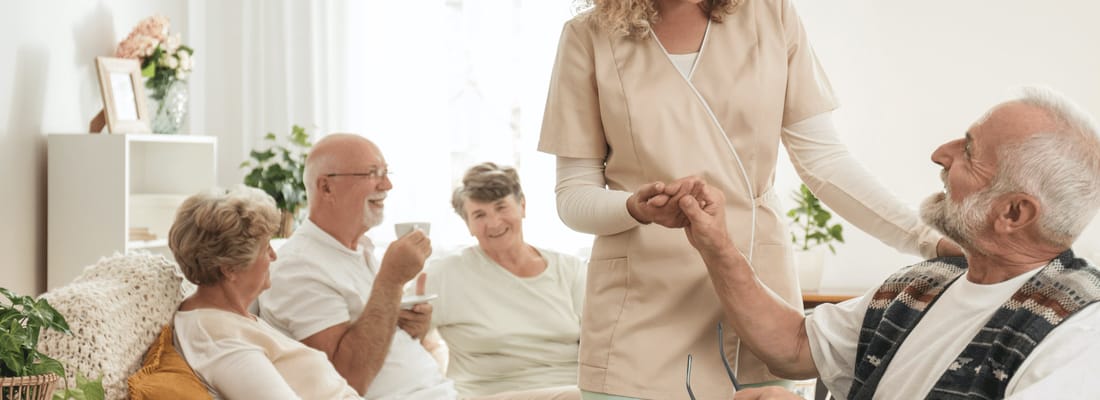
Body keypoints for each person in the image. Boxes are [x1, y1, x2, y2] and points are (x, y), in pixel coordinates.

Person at [537, 0, 961, 398]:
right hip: (638, 314)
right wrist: (634, 207)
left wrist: (929, 240)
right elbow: (573, 195)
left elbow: (824, 162)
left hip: (758, 303)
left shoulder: (769, 14)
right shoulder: (588, 35)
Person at [676, 86, 1100, 399]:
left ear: (1013, 214)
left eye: (969, 151)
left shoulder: (1083, 332)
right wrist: (717, 246)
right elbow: (795, 346)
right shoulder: (923, 284)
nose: (940, 153)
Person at [257, 134, 454, 399]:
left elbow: (376, 346)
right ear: (326, 187)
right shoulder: (297, 267)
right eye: (373, 173)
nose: (388, 184)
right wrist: (391, 280)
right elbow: (348, 380)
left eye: (386, 172)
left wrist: (410, 330)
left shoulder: (361, 249)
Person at [168, 186, 361, 399]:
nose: (273, 256)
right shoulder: (216, 337)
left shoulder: (229, 316)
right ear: (230, 268)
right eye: (265, 248)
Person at [419, 162, 586, 397]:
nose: (495, 222)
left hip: (575, 390)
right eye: (479, 215)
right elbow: (402, 335)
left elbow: (602, 345)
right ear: (468, 224)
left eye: (501, 207)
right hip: (491, 393)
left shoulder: (570, 270)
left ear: (522, 206)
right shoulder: (444, 275)